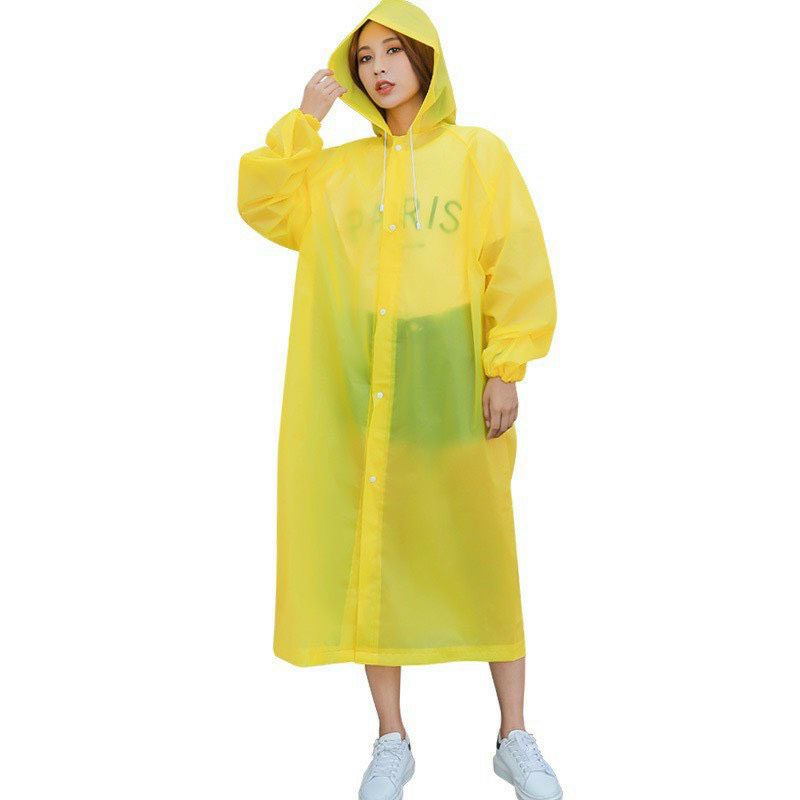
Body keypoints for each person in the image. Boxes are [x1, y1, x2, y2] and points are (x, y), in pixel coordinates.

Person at [236, 1, 561, 798]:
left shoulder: (477, 155)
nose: (378, 68)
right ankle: (391, 737)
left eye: (392, 51)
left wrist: (505, 367)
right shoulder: (338, 172)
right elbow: (265, 205)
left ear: (425, 59)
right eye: (364, 57)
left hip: (451, 382)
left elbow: (514, 258)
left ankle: (514, 733)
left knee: (482, 547)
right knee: (375, 550)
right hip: (363, 387)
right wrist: (304, 122)